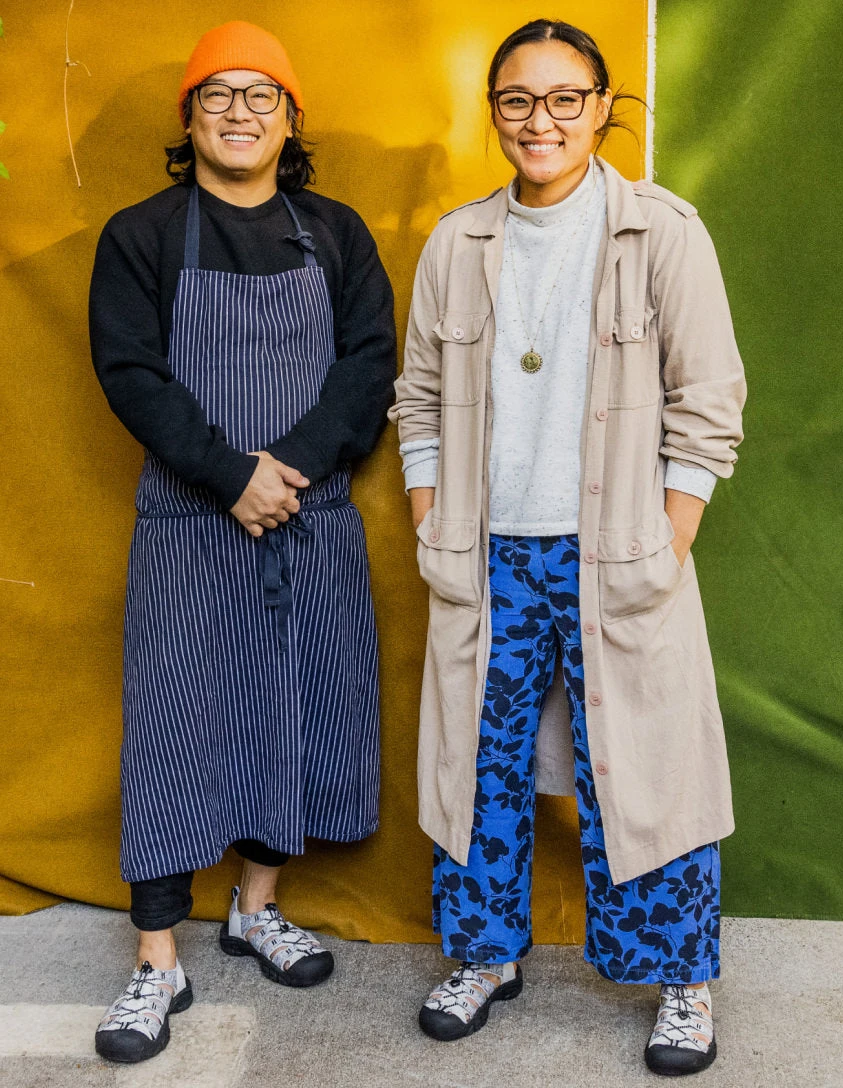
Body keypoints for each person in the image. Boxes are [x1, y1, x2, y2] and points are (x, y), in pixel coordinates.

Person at [390, 18, 745, 1077]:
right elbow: (418, 399)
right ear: (494, 112)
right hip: (484, 554)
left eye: (562, 99)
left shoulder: (661, 232)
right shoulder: (457, 243)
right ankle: (483, 955)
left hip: (617, 551)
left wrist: (665, 540)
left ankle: (682, 981)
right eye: (517, 99)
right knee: (475, 767)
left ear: (600, 108)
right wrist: (430, 516)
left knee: (648, 765)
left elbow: (709, 400)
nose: (538, 120)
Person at [89, 21, 396, 1064]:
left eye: (261, 94)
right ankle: (156, 959)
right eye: (215, 94)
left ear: (290, 119)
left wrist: (287, 469)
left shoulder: (337, 234)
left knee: (292, 711)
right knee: (172, 727)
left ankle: (255, 906)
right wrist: (230, 476)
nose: (238, 111)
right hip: (190, 523)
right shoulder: (139, 235)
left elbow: (369, 362)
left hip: (309, 517)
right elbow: (132, 373)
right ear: (188, 119)